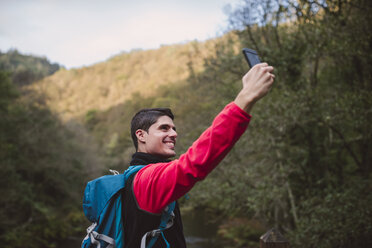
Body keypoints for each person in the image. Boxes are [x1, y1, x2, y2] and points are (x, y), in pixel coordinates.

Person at [123, 63, 275, 247]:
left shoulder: (136, 177)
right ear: (141, 135)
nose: (173, 134)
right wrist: (246, 98)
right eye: (164, 128)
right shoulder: (147, 180)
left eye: (173, 128)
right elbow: (194, 163)